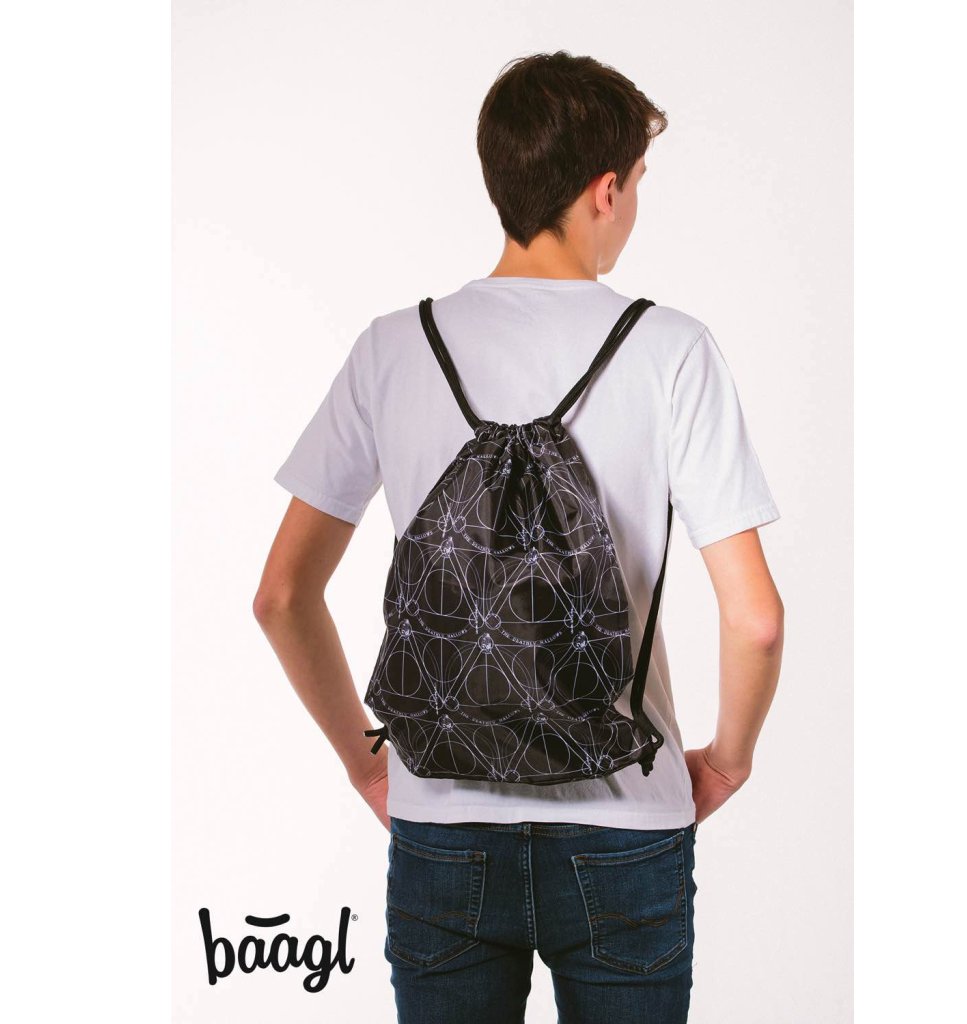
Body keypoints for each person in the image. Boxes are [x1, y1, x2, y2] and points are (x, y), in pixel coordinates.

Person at [255, 49, 784, 1024]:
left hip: (441, 825)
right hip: (627, 826)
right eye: (637, 185)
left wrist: (365, 761)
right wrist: (726, 760)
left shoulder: (392, 346)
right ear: (605, 190)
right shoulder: (671, 349)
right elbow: (755, 619)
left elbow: (282, 596)